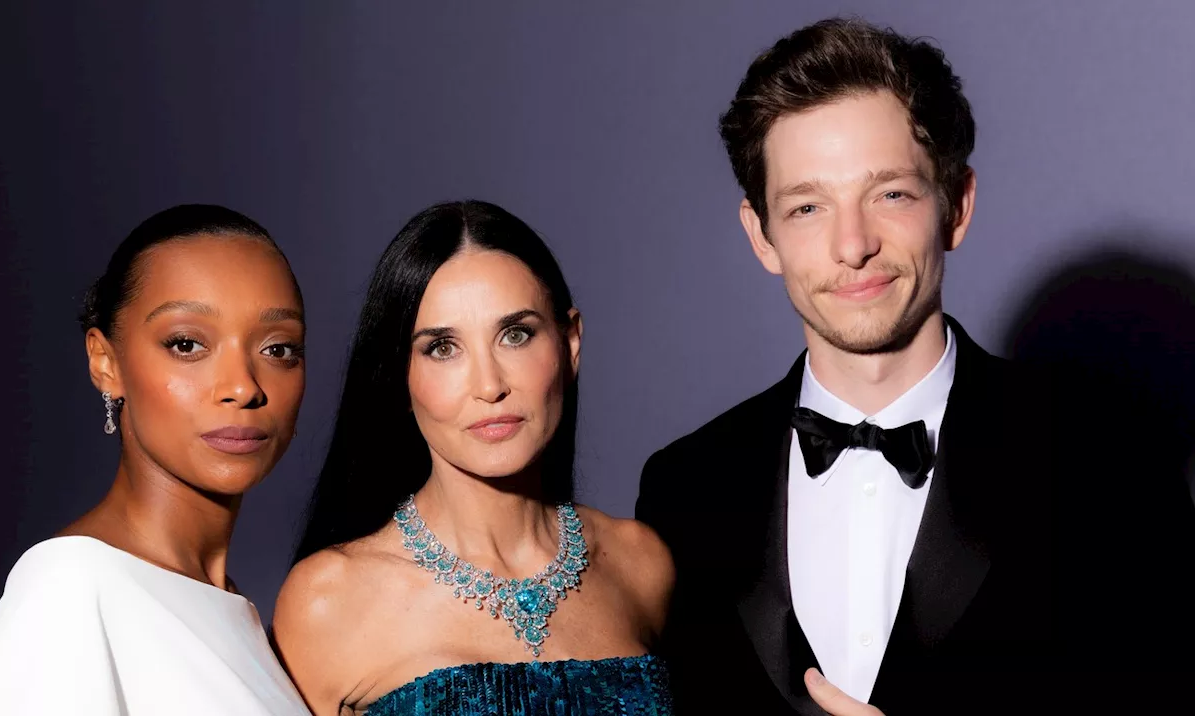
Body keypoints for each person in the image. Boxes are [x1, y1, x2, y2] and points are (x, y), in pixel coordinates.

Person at [635, 17, 1195, 716]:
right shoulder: (684, 489)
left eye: (891, 193)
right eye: (808, 206)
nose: (853, 244)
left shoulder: (1108, 456)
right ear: (762, 236)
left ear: (955, 205)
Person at [274, 200, 674, 716]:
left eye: (515, 335)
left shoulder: (640, 563)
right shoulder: (327, 601)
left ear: (569, 343)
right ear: (399, 374)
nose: (489, 386)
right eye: (442, 348)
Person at [0, 205, 312, 716]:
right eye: (186, 344)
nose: (242, 386)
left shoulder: (239, 617)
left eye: (278, 349)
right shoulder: (72, 586)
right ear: (106, 363)